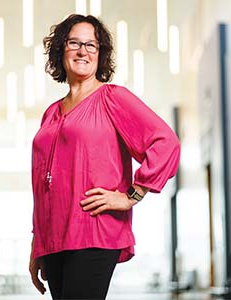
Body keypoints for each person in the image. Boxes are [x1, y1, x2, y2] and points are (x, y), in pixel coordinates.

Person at [29, 14, 180, 300]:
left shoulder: (113, 98)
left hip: (93, 231)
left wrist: (130, 196)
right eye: (74, 42)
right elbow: (42, 181)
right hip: (53, 238)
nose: (83, 51)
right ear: (61, 48)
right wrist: (37, 243)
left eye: (92, 45)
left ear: (101, 55)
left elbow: (166, 142)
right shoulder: (50, 113)